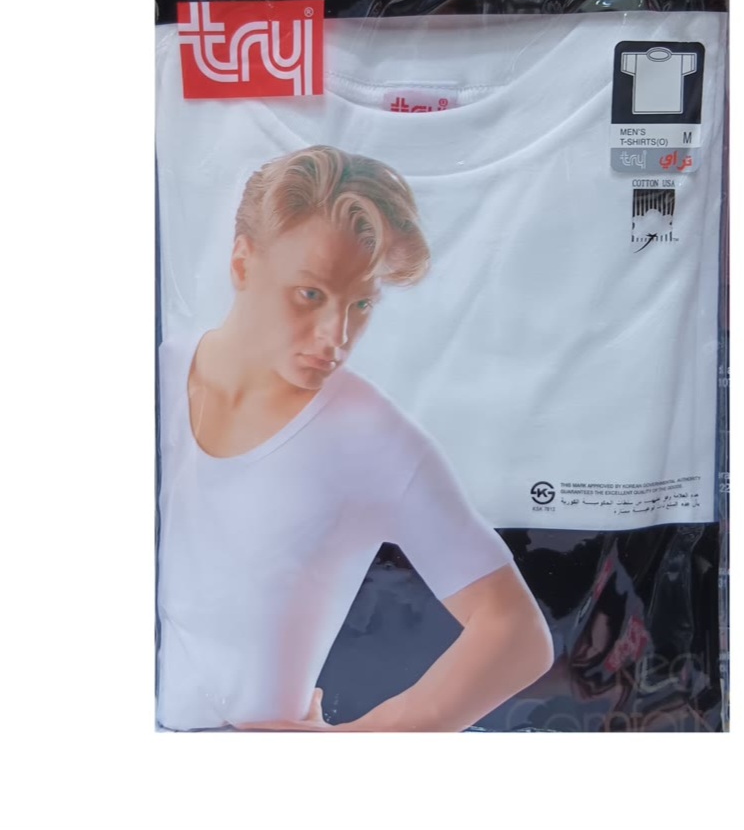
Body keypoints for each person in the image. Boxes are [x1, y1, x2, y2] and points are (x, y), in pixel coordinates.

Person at [156, 144, 554, 732]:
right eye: (311, 294)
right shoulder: (161, 373)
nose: (336, 336)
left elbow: (515, 633)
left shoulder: (369, 435)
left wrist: (364, 743)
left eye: (362, 303)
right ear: (242, 264)